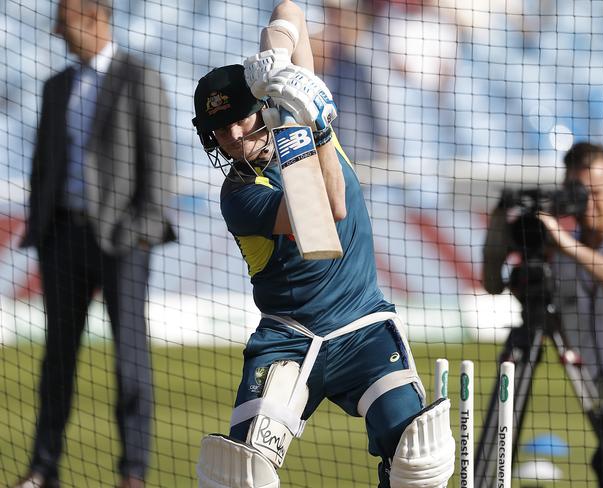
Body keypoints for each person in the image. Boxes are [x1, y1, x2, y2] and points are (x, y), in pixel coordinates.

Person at [190, 2, 455, 487]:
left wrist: (278, 58)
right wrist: (318, 123)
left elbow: (289, 7)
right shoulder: (240, 195)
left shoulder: (294, 112)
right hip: (289, 336)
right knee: (239, 475)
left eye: (240, 119)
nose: (231, 135)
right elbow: (323, 217)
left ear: (259, 109)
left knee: (420, 460)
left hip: (363, 325)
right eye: (218, 129)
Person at [15, 0, 175, 487]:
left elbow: (159, 165)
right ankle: (43, 469)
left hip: (123, 245)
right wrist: (42, 233)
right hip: (63, 238)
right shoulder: (55, 86)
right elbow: (43, 167)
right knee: (57, 358)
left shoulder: (138, 77)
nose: (58, 34)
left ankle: (132, 473)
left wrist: (138, 233)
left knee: (129, 357)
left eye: (63, 24)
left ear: (92, 17)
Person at [483, 142, 603, 487]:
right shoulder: (558, 245)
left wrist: (567, 245)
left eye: (596, 191)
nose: (588, 201)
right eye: (578, 191)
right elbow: (492, 283)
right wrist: (500, 221)